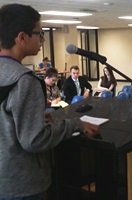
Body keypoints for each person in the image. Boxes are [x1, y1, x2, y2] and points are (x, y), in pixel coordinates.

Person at [0, 4, 99, 199]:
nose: (42, 39)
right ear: (21, 37)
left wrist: (33, 119)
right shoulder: (24, 80)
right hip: (21, 184)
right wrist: (75, 124)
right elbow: (34, 140)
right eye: (39, 33)